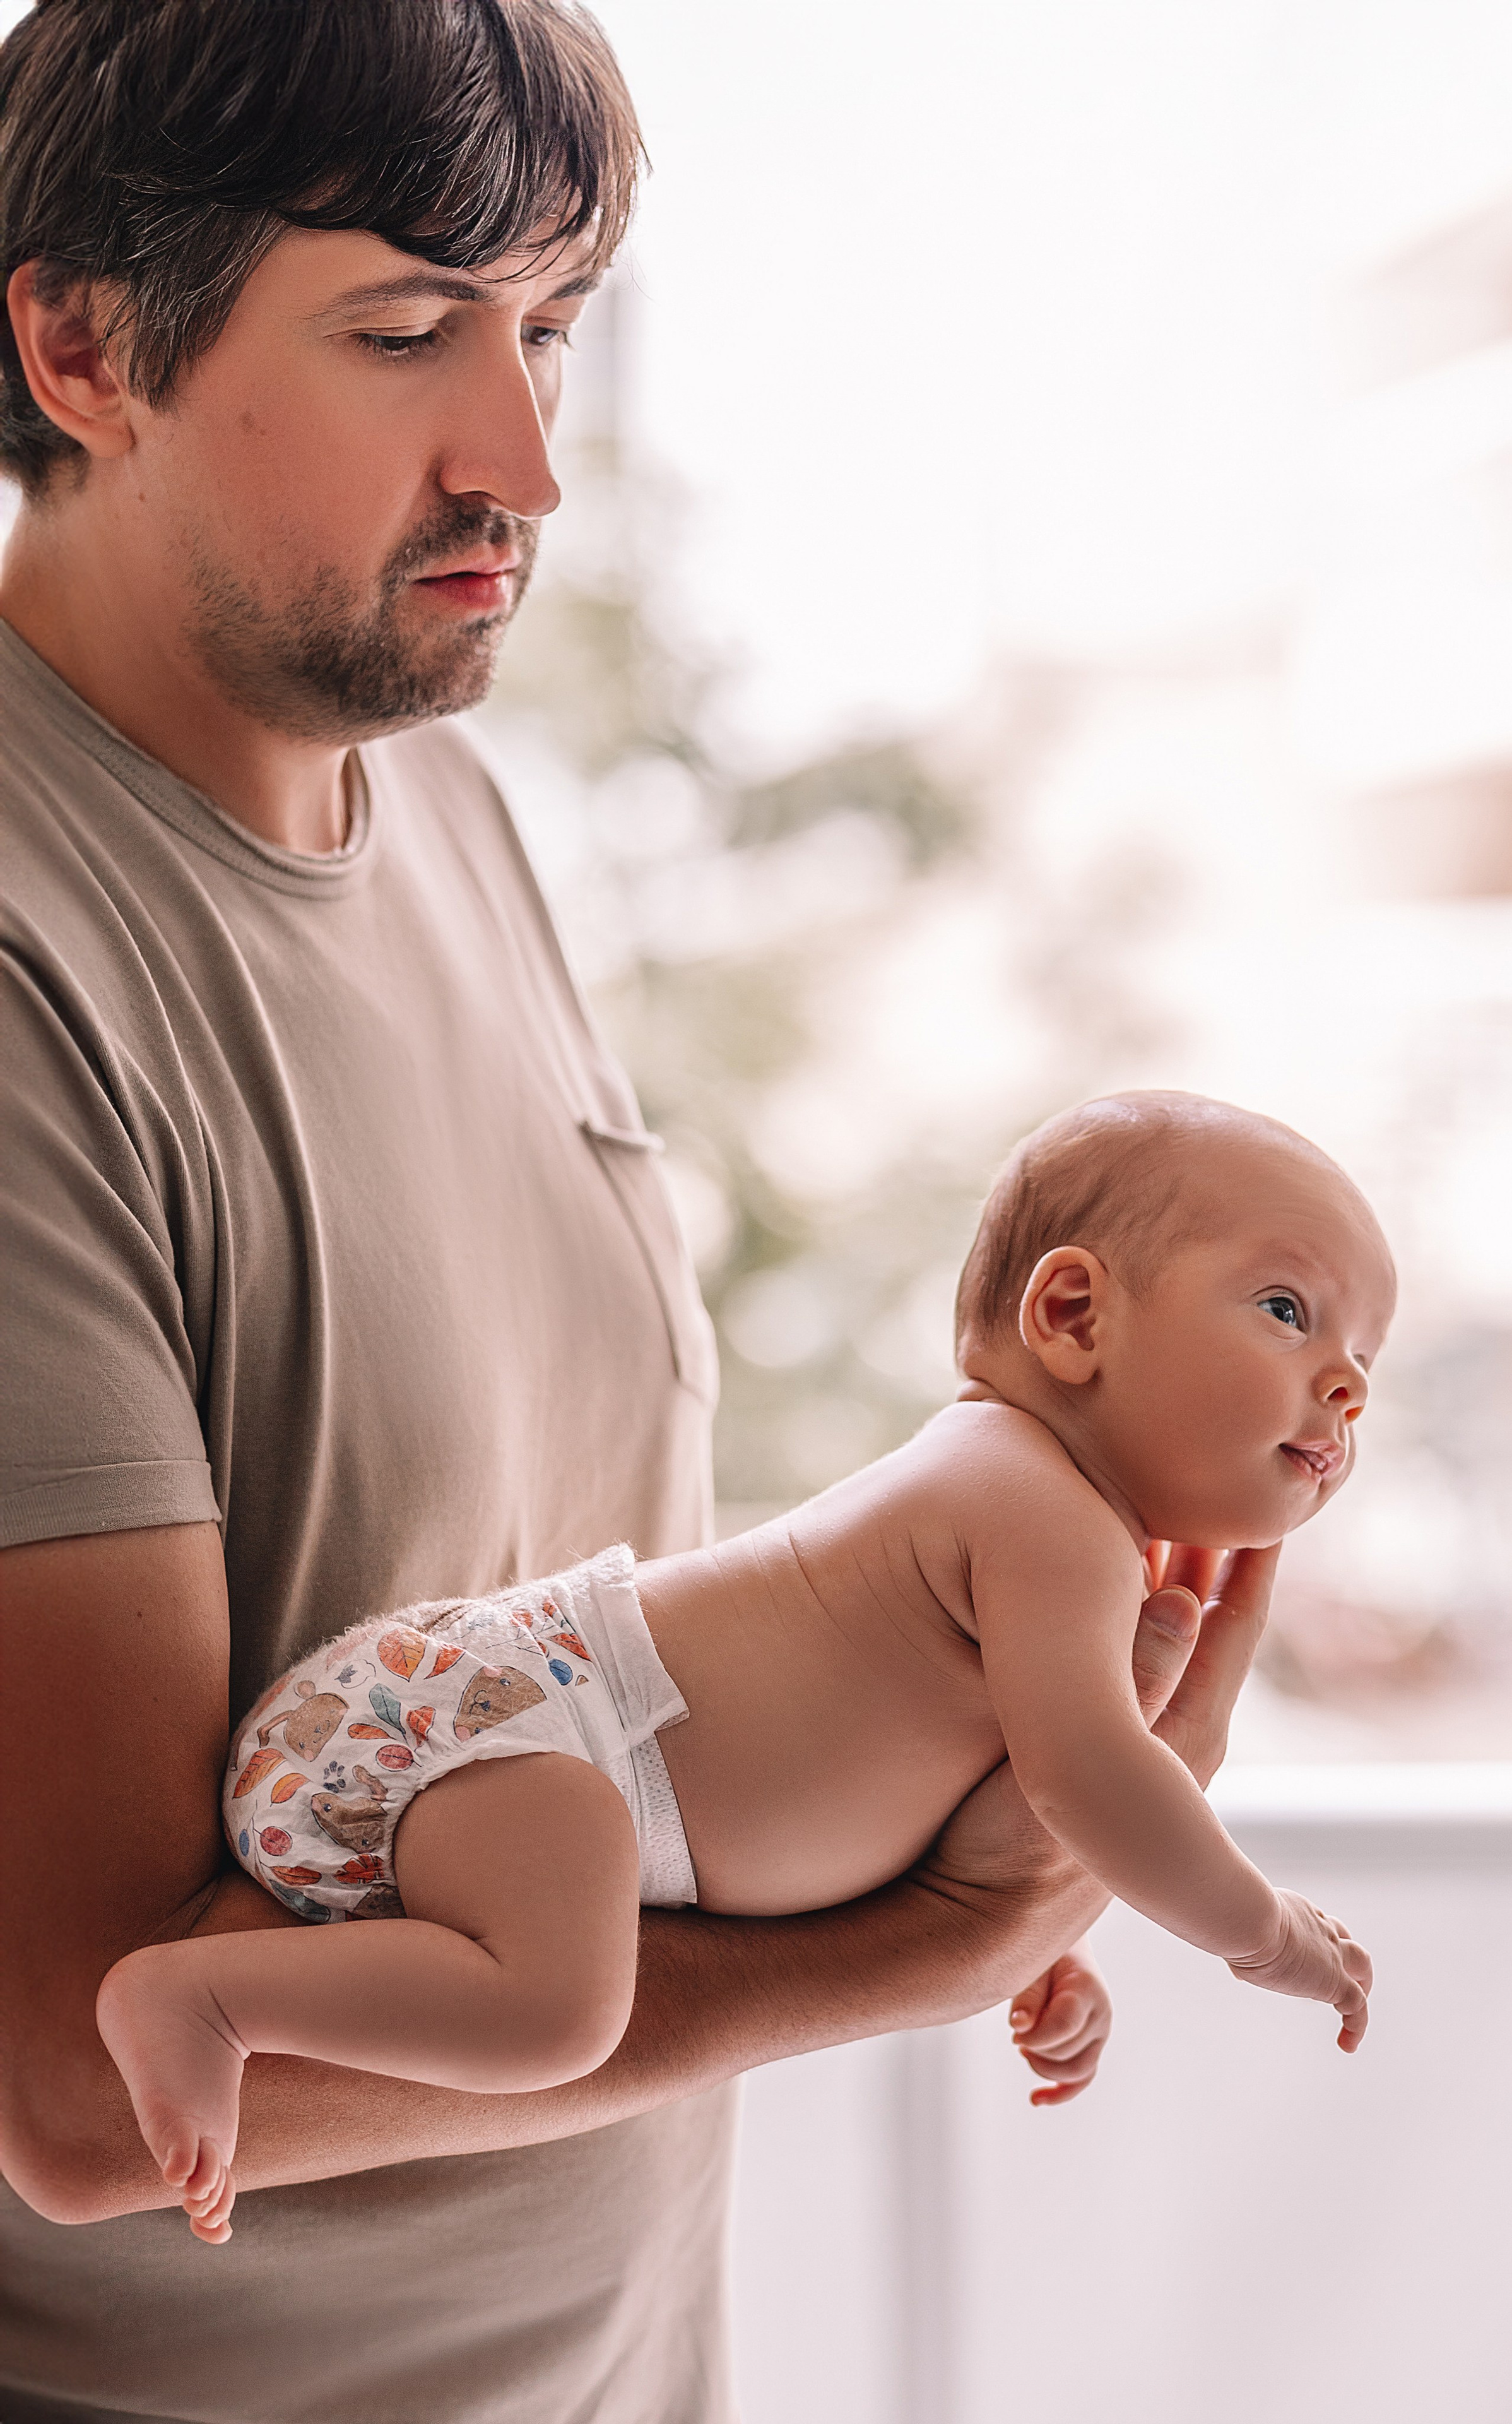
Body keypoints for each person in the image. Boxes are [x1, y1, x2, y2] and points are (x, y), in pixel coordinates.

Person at [0, 4, 1275, 2418]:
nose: (526, 462)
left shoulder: (439, 801)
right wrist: (918, 1943)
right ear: (81, 344)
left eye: (552, 327)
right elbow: (80, 2095)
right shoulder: (28, 975)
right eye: (402, 331)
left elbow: (535, 1616)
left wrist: (974, 1655)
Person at [98, 1090, 1388, 2245]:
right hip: (512, 1734)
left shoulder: (1047, 1525)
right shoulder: (1040, 1507)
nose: (1341, 1384)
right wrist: (1262, 1935)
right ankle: (206, 1997)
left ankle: (236, 1992)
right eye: (1287, 1311)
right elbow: (1086, 1779)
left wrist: (1045, 1948)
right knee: (558, 2016)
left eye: (1363, 1363)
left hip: (510, 1749)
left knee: (556, 1996)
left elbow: (993, 1800)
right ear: (1069, 1315)